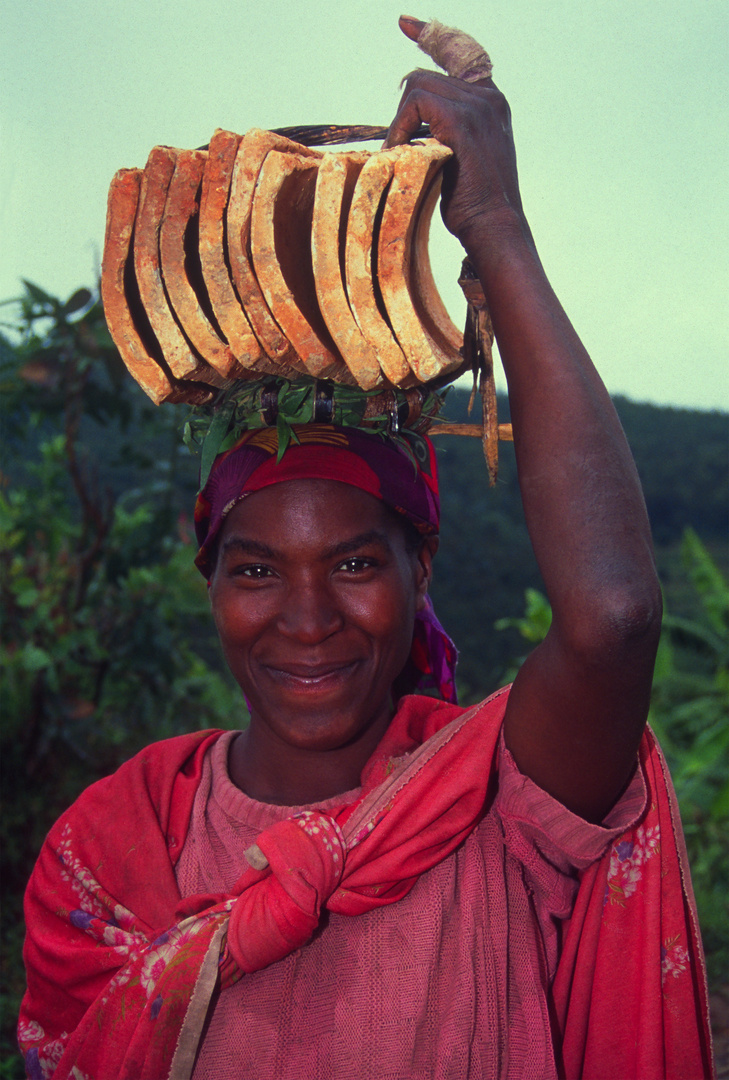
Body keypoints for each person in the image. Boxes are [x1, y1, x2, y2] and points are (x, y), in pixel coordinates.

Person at [18, 17, 713, 1080]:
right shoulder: (113, 852)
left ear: (418, 568)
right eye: (256, 568)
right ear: (208, 577)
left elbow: (614, 618)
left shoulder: (499, 801)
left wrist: (496, 224)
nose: (306, 617)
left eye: (353, 563)